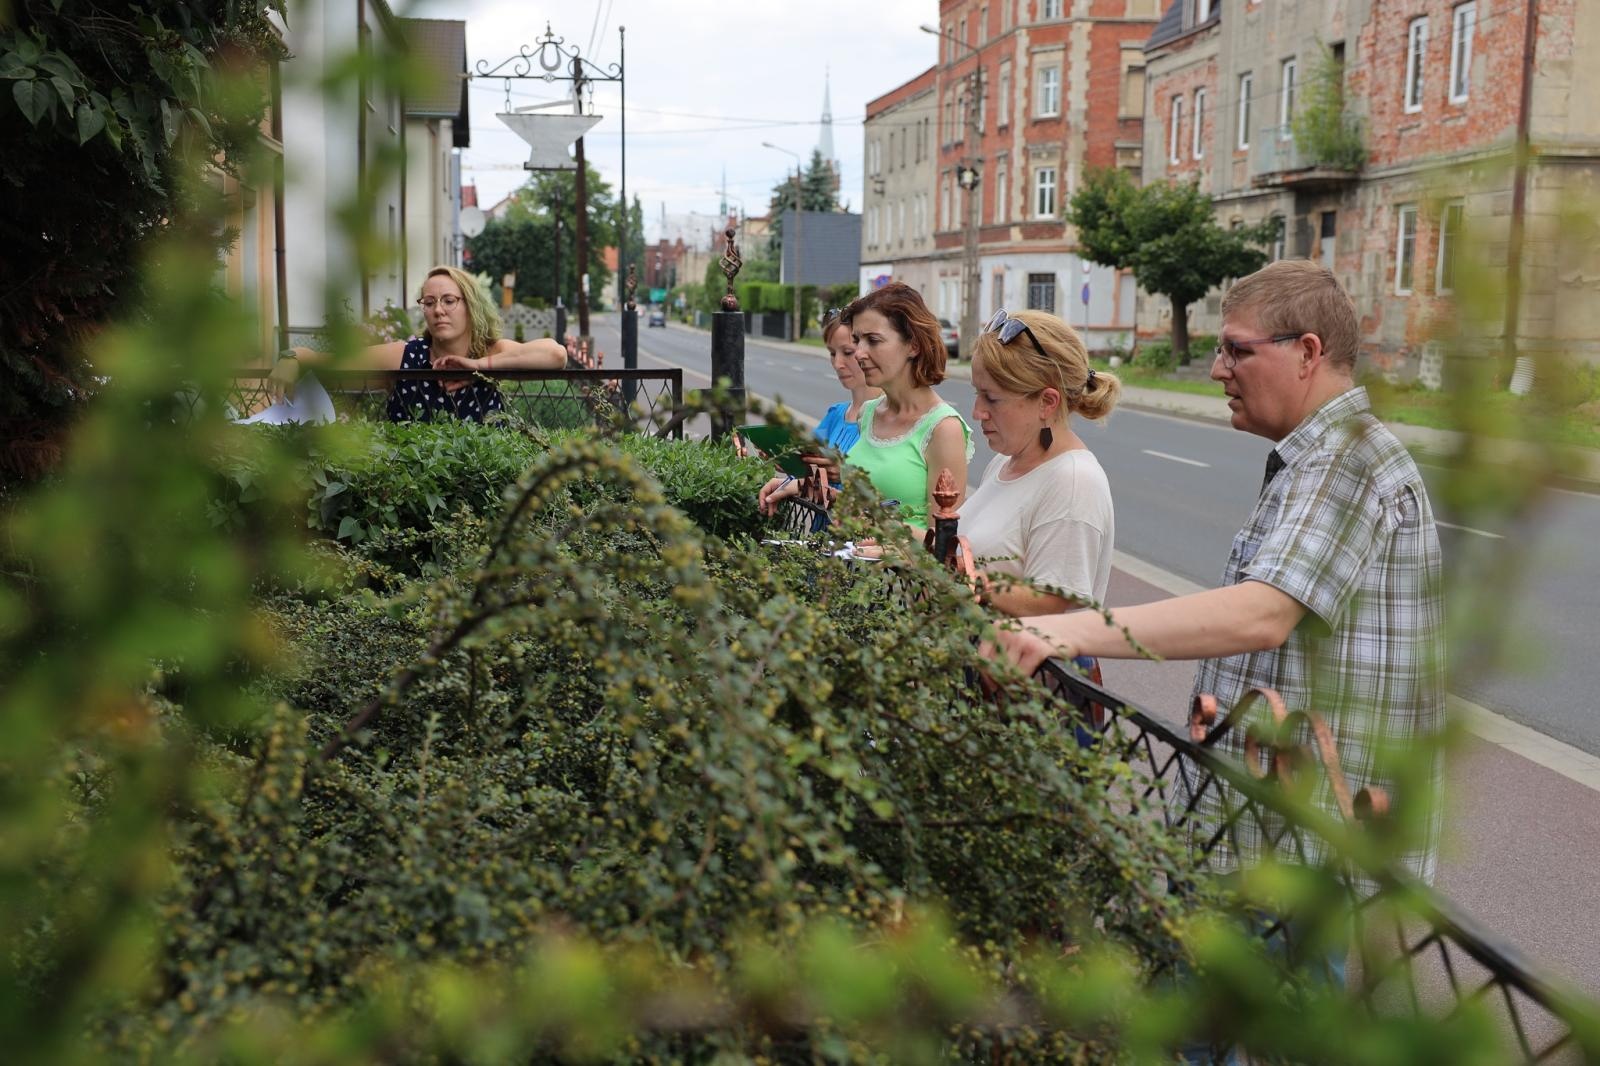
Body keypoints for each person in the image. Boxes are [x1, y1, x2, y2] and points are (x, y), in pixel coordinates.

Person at [998, 259, 1445, 881]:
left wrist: (1064, 633)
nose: (1218, 370)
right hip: (1276, 828)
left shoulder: (1348, 458)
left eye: (1236, 351)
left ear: (1306, 353)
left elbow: (1262, 613)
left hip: (1308, 851)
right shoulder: (1319, 457)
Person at [762, 284, 971, 527]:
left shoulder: (944, 429)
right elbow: (859, 504)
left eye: (873, 340)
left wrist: (875, 527)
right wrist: (797, 486)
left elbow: (942, 547)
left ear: (913, 345)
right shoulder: (868, 413)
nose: (860, 353)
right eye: (857, 340)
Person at [964, 308, 1121, 617]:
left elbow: (1050, 603)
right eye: (976, 393)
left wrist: (958, 578)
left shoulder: (1073, 481)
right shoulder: (1004, 462)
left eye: (991, 398)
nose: (977, 411)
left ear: (1047, 402)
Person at [268, 266, 566, 422]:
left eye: (449, 301)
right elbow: (330, 361)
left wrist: (478, 367)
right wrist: (292, 356)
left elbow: (555, 354)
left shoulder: (491, 353)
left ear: (470, 306)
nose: (438, 310)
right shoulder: (405, 355)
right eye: (429, 302)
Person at [754, 309, 883, 515]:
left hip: (864, 541)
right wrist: (785, 460)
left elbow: (893, 490)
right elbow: (810, 472)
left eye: (847, 352)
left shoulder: (888, 419)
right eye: (832, 353)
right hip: (824, 534)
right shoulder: (835, 414)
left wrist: (843, 474)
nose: (837, 364)